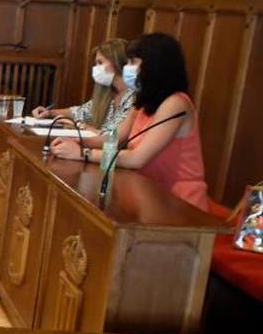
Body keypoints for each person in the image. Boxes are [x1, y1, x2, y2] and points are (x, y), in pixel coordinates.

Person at [50, 32, 210, 211]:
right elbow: (113, 140)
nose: (128, 68)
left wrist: (83, 153)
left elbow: (136, 159)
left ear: (154, 66)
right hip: (146, 192)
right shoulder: (142, 102)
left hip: (177, 202)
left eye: (133, 62)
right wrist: (74, 140)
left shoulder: (176, 103)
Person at [34, 38, 134, 135]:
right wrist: (49, 113)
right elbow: (80, 112)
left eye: (100, 62)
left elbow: (112, 137)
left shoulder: (134, 98)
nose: (96, 68)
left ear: (117, 62)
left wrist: (79, 125)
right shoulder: (109, 93)